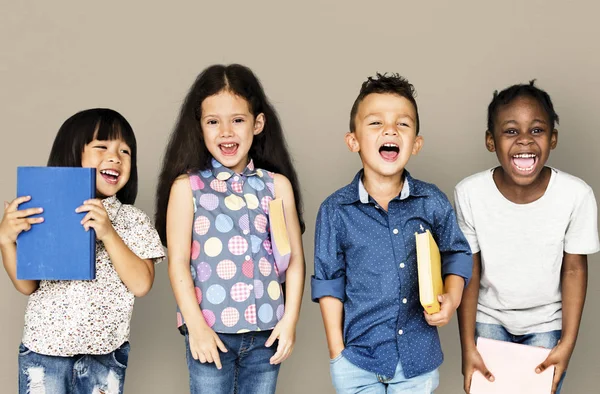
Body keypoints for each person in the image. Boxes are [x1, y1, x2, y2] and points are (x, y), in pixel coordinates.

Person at [312, 73, 472, 393]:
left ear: (416, 144)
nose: (390, 130)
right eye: (375, 123)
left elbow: (457, 253)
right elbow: (328, 282)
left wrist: (452, 300)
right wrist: (336, 353)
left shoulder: (431, 202)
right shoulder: (335, 211)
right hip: (358, 360)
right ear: (353, 140)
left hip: (418, 361)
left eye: (402, 124)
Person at [154, 64, 306, 394]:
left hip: (267, 330)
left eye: (237, 120)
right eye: (213, 122)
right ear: (200, 127)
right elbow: (177, 262)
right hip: (210, 331)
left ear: (258, 123)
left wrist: (290, 320)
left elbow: (293, 260)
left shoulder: (276, 186)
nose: (226, 131)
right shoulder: (187, 187)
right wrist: (196, 326)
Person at [0, 108, 165, 394]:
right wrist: (5, 241)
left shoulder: (132, 219)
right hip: (43, 351)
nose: (114, 157)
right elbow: (27, 285)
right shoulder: (45, 211)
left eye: (125, 151)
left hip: (104, 355)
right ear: (72, 152)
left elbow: (141, 284)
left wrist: (109, 233)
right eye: (101, 146)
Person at [455, 80, 599, 394]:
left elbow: (574, 269)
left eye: (536, 130)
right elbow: (469, 268)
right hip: (489, 318)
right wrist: (467, 346)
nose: (524, 141)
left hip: (547, 324)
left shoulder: (576, 195)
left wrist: (567, 343)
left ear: (553, 138)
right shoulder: (469, 193)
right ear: (490, 141)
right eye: (510, 131)